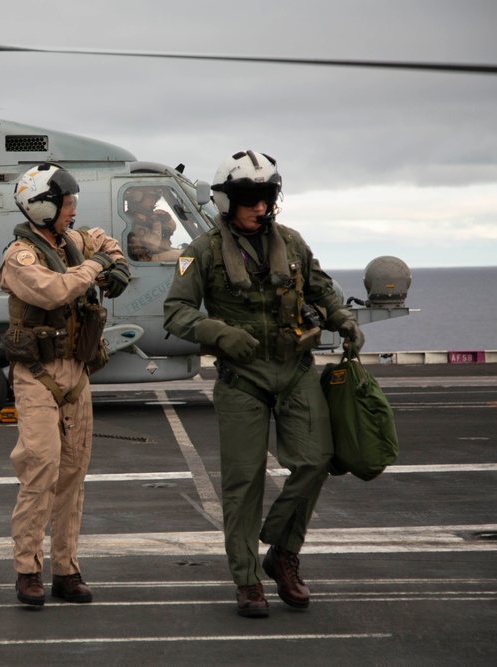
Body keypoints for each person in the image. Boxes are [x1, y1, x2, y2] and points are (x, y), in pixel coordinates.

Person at [163, 151, 364, 618]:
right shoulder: (203, 252)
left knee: (316, 462)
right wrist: (220, 333)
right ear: (226, 201)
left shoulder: (291, 243)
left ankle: (281, 552)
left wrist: (344, 320)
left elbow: (322, 290)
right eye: (250, 199)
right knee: (243, 483)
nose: (259, 207)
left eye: (266, 197)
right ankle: (248, 579)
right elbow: (175, 312)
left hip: (295, 372)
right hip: (242, 381)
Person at [0, 163, 131, 606]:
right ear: (43, 207)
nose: (73, 211)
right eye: (67, 203)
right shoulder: (20, 257)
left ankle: (67, 569)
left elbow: (108, 243)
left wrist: (117, 267)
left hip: (76, 370)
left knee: (73, 473)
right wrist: (98, 267)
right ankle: (27, 569)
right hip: (37, 374)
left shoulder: (71, 241)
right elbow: (54, 292)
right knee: (41, 469)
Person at [125, 187, 181, 262]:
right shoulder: (136, 219)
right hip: (148, 258)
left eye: (154, 198)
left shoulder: (148, 215)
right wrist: (156, 222)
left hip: (158, 252)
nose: (153, 201)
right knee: (187, 257)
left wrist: (167, 218)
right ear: (138, 198)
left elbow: (172, 228)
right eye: (149, 197)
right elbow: (153, 246)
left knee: (188, 253)